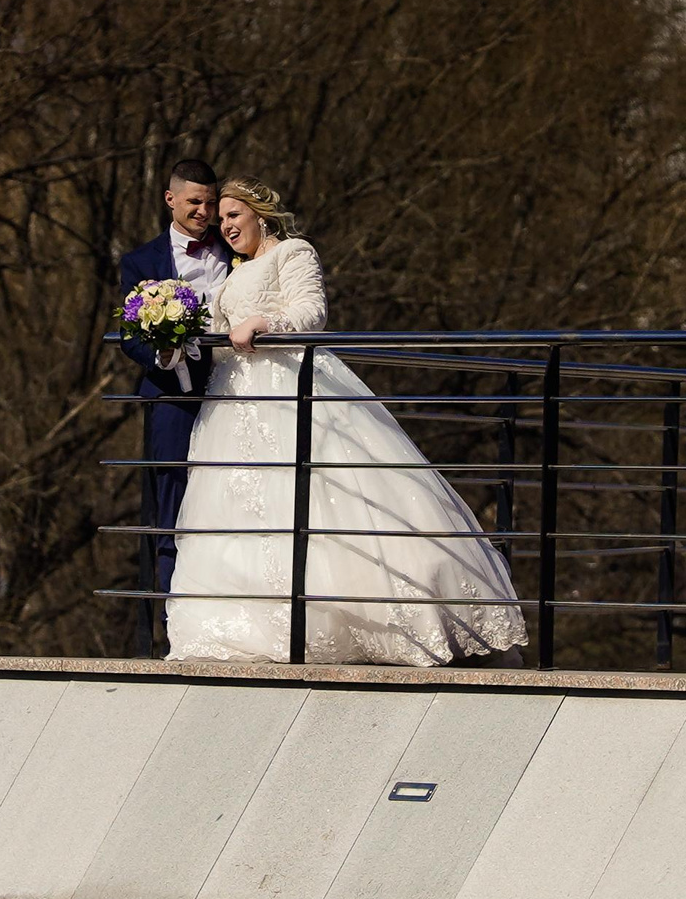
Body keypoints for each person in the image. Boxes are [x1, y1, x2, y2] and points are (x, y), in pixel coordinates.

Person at [164, 181, 527, 666]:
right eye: (222, 218)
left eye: (234, 215)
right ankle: (252, 626)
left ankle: (365, 620)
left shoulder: (292, 252)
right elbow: (217, 335)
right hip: (234, 402)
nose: (225, 225)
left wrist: (265, 324)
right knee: (240, 511)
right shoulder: (235, 273)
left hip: (290, 388)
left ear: (260, 215)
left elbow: (311, 312)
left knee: (325, 499)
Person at [118, 161, 234, 633]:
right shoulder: (140, 261)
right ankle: (173, 624)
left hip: (233, 393)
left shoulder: (236, 247)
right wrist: (162, 355)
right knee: (170, 502)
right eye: (194, 202)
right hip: (171, 396)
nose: (205, 212)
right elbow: (129, 336)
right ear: (171, 200)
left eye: (211, 202)